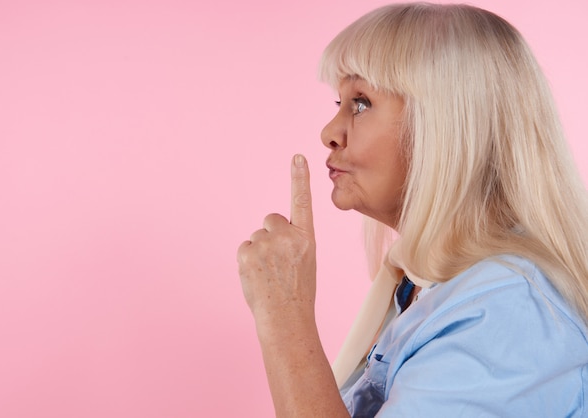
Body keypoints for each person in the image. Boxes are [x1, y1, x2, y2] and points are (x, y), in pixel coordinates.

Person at [237, 3, 588, 416]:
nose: (330, 133)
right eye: (340, 102)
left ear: (445, 125)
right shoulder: (425, 287)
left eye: (362, 102)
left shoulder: (506, 312)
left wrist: (285, 318)